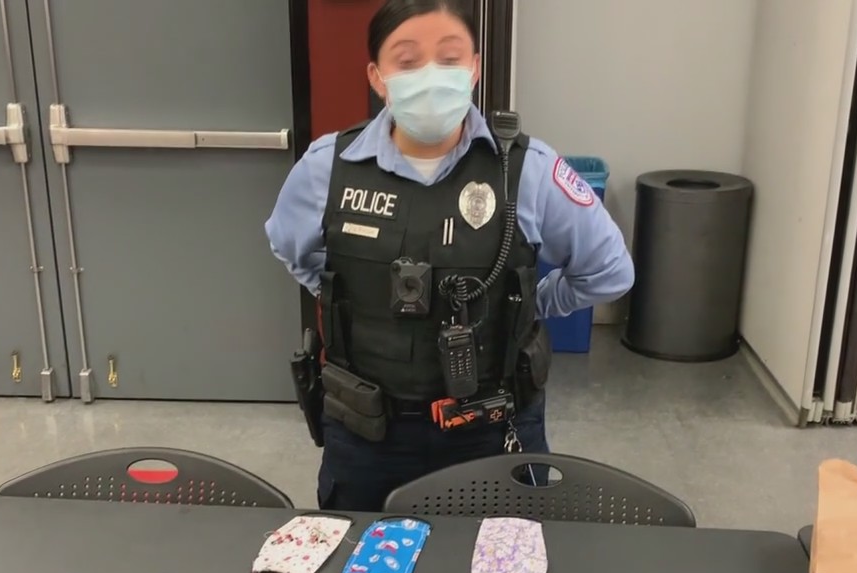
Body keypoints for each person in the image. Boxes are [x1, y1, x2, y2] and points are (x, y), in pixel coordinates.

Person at [267, 0, 633, 511]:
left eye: (450, 57)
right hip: (366, 430)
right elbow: (292, 250)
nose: (430, 75)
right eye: (408, 60)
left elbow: (610, 270)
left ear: (475, 68)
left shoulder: (527, 168)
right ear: (377, 76)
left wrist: (527, 304)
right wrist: (358, 298)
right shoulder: (326, 167)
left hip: (493, 427)